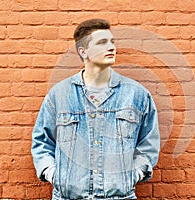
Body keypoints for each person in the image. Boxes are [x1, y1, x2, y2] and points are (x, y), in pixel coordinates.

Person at [31, 18, 160, 199]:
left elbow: (148, 144)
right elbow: (42, 142)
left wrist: (134, 175)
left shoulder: (137, 95)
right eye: (102, 42)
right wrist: (55, 175)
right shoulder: (59, 95)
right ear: (83, 52)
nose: (111, 47)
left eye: (112, 42)